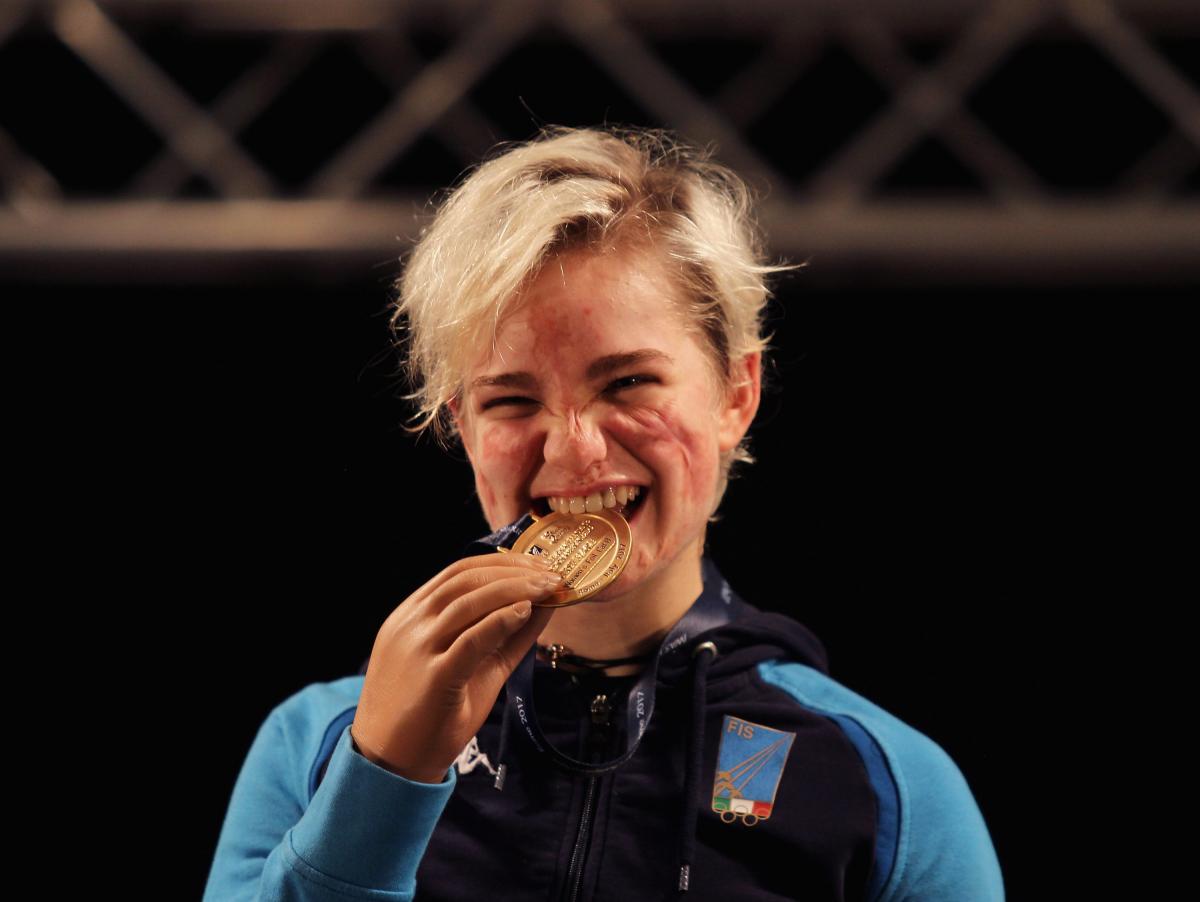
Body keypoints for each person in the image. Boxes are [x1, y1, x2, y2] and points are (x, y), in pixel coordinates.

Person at [202, 125, 1004, 902]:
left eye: (627, 384)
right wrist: (384, 781)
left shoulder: (885, 781)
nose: (576, 452)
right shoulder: (320, 742)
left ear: (736, 394)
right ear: (464, 429)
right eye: (512, 399)